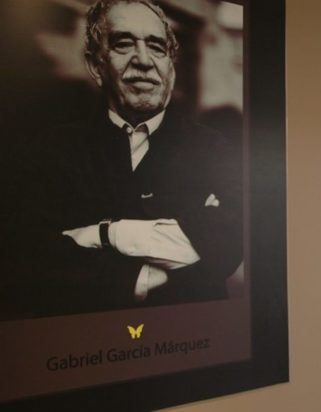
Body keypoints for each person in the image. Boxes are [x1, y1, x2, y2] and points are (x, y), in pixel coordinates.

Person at [3, 0, 242, 319]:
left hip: (193, 340)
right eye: (123, 43)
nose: (143, 60)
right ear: (95, 64)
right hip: (82, 350)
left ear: (170, 66)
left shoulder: (214, 148)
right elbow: (29, 256)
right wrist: (137, 276)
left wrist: (102, 234)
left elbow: (228, 243)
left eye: (156, 47)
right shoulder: (52, 149)